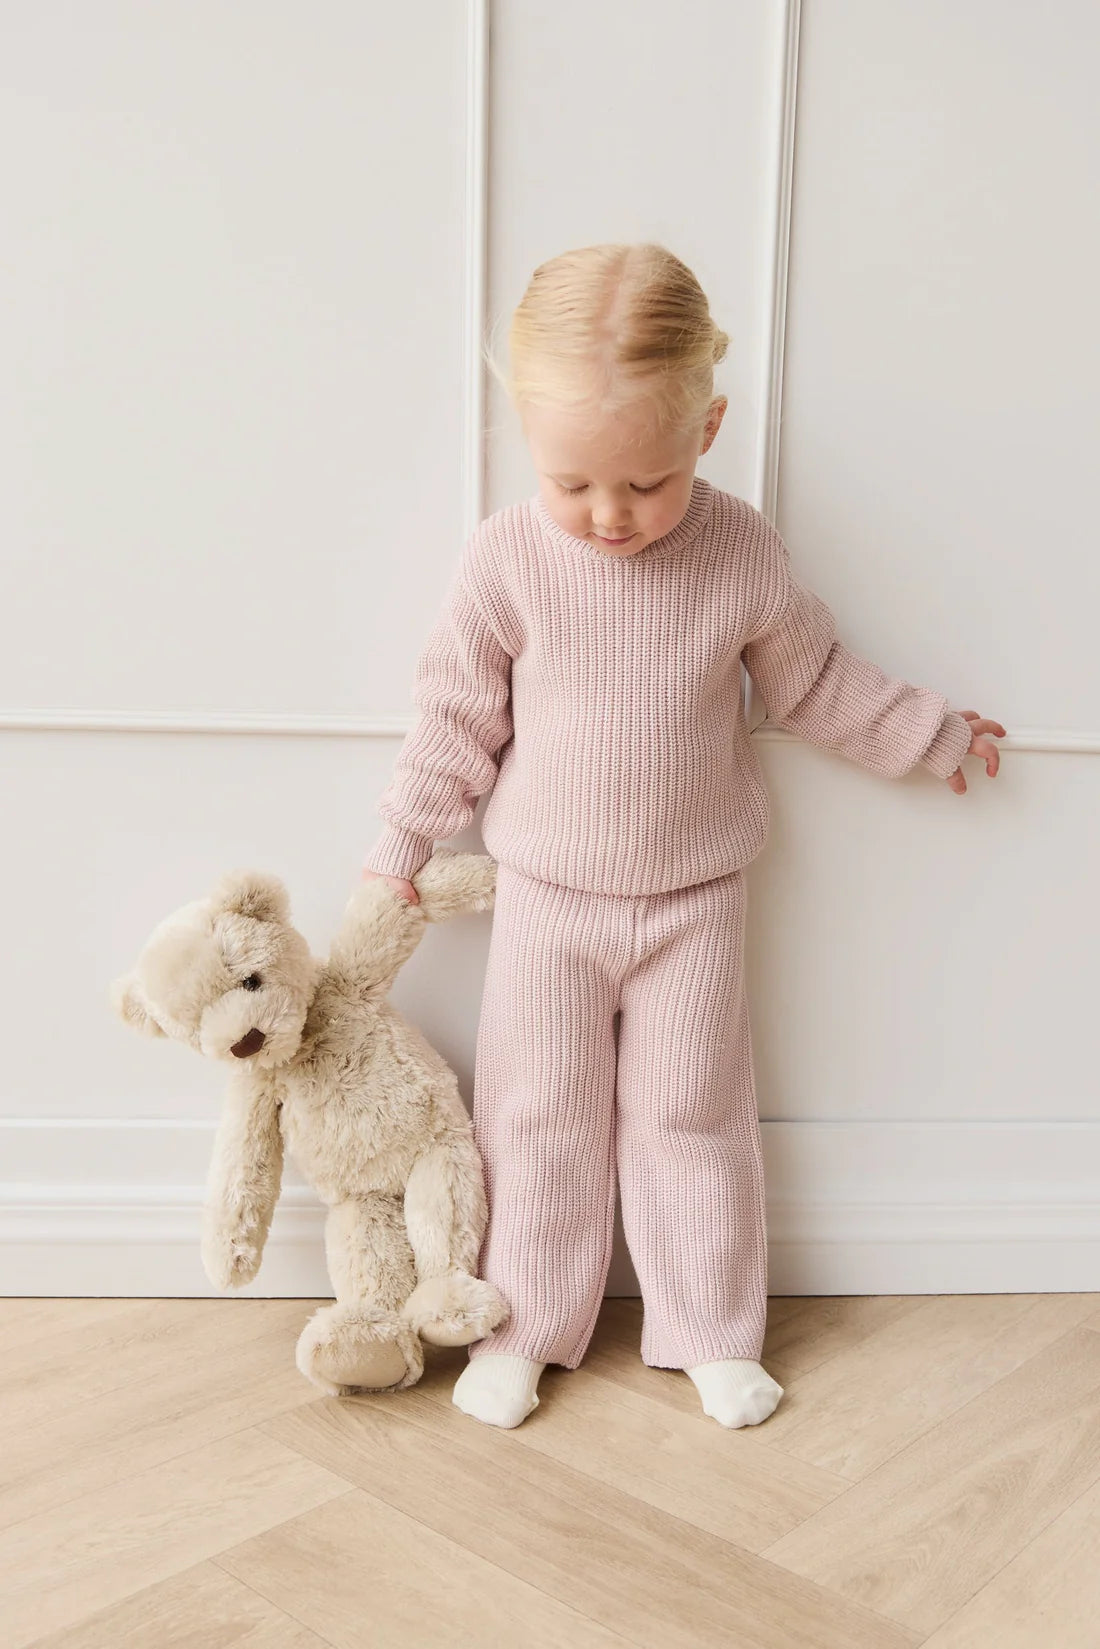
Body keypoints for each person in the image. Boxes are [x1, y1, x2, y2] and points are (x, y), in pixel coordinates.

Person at [362, 243, 1004, 1431]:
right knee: (534, 1117)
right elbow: (453, 719)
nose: (608, 514)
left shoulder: (740, 550)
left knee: (692, 1119)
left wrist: (928, 731)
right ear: (525, 440)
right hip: (545, 899)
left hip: (694, 900)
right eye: (571, 482)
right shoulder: (505, 558)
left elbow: (810, 679)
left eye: (644, 482)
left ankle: (707, 1327)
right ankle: (523, 1325)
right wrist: (398, 847)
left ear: (705, 429)